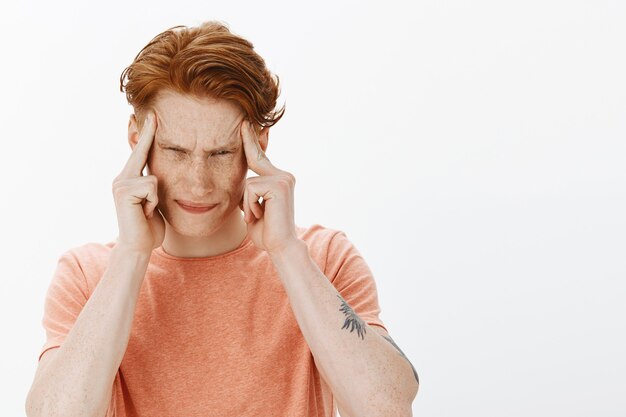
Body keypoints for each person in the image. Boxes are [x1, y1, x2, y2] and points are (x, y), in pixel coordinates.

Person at [25, 21, 419, 417]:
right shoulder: (87, 275)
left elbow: (386, 406)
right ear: (137, 140)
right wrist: (131, 254)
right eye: (176, 151)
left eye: (220, 154)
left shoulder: (324, 258)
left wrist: (285, 251)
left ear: (257, 145)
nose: (198, 184)